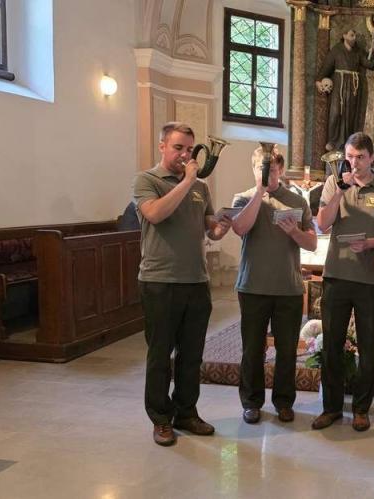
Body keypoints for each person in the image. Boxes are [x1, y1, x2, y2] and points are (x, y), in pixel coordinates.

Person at [132, 122, 233, 447]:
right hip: (160, 280)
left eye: (189, 149)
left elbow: (209, 226)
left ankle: (186, 412)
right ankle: (161, 419)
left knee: (192, 355)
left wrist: (221, 227)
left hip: (196, 281)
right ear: (162, 146)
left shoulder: (201, 188)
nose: (186, 155)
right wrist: (188, 181)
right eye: (178, 148)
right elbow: (155, 214)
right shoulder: (147, 180)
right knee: (160, 355)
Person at [312, 132, 374, 432]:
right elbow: (322, 223)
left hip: (370, 279)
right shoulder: (333, 183)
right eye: (349, 157)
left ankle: (361, 409)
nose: (354, 162)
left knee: (368, 346)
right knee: (332, 345)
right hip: (337, 275)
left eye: (360, 157)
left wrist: (369, 244)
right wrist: (340, 190)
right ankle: (331, 408)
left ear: (372, 158)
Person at [230, 148, 317, 425]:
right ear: (254, 169)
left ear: (280, 169)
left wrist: (294, 231)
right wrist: (259, 192)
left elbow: (312, 243)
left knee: (287, 350)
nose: (268, 173)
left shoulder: (297, 201)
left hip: (288, 288)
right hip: (253, 286)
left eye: (273, 168)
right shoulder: (243, 197)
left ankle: (284, 402)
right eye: (262, 168)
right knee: (252, 349)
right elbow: (239, 228)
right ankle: (251, 403)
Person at [316, 29, 374, 151]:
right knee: (335, 112)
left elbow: (369, 64)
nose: (353, 38)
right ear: (344, 35)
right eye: (351, 35)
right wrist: (319, 80)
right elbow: (327, 66)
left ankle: (347, 143)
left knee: (349, 115)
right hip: (339, 84)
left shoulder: (358, 51)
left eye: (355, 36)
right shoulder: (336, 50)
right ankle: (333, 140)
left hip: (353, 87)